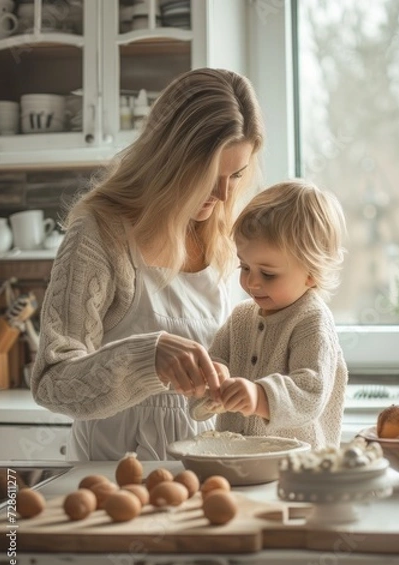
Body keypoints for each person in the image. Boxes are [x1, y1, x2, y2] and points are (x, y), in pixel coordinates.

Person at [31, 68, 265, 461]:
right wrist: (146, 358)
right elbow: (51, 382)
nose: (223, 195)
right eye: (208, 175)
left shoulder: (225, 236)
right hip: (113, 480)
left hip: (203, 472)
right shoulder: (100, 232)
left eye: (236, 174)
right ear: (169, 159)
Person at [190, 180, 348, 449]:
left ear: (311, 275)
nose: (252, 283)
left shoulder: (312, 321)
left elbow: (311, 390)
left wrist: (259, 396)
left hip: (296, 467)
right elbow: (214, 362)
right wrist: (212, 382)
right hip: (235, 457)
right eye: (244, 267)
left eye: (268, 274)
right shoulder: (241, 318)